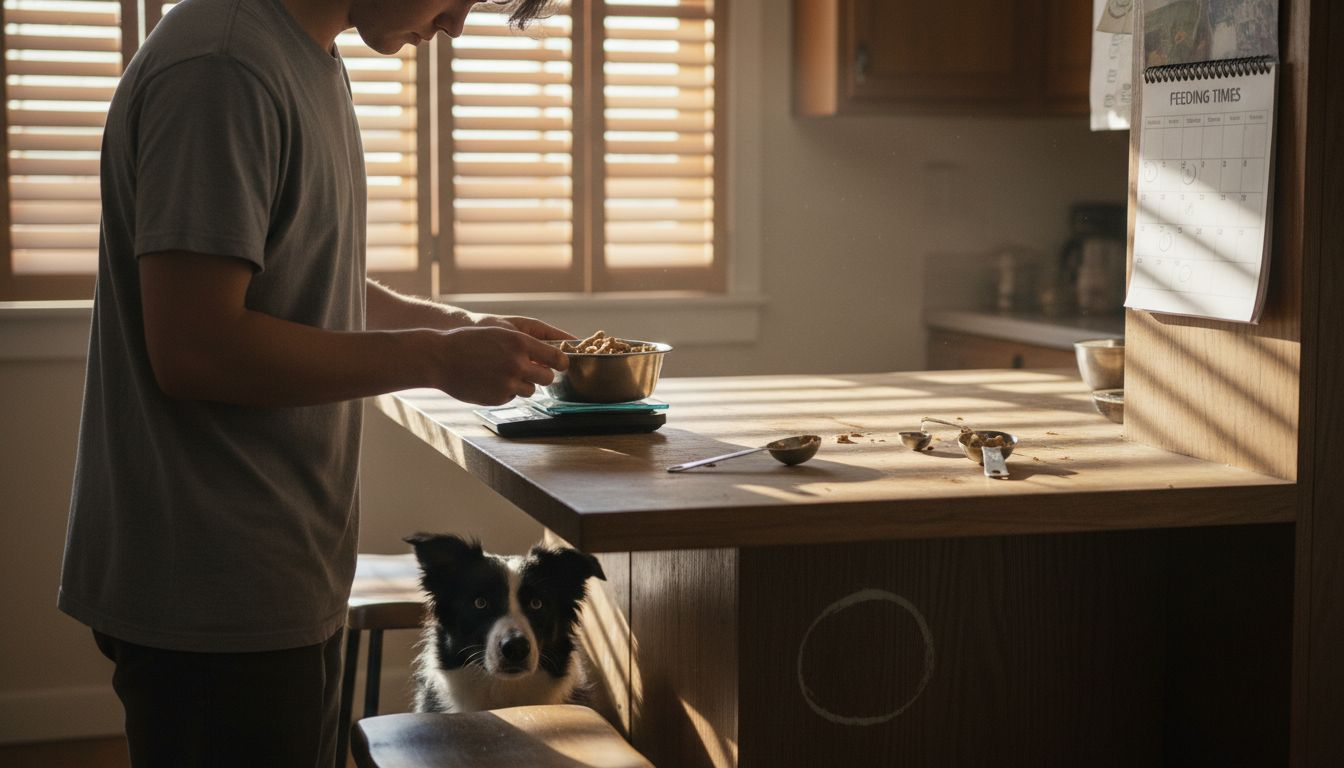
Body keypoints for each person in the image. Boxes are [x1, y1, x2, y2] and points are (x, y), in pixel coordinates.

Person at [58, 0, 561, 765]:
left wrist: (459, 327)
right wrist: (436, 359)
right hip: (213, 587)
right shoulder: (224, 66)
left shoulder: (308, 57)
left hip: (284, 570)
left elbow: (307, 281)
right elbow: (196, 348)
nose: (456, 25)